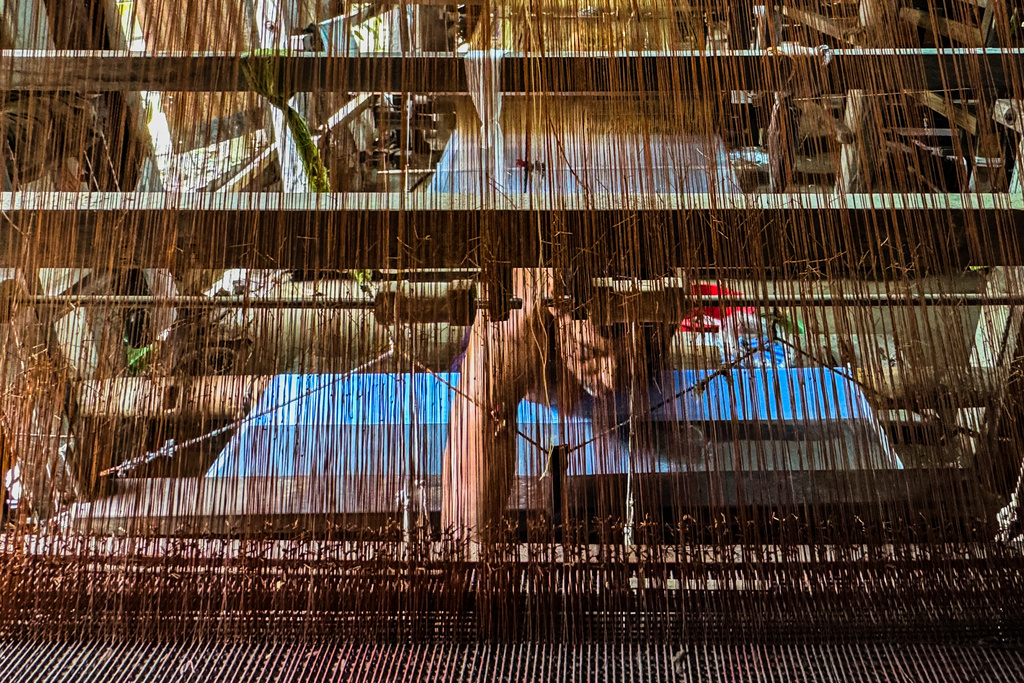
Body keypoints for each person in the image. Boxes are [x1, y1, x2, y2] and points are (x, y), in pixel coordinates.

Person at [442, 269, 674, 542]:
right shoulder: (519, 312)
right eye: (594, 354)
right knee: (495, 373)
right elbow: (486, 406)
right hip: (527, 330)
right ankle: (466, 562)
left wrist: (623, 352)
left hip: (607, 307)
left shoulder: (646, 299)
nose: (609, 379)